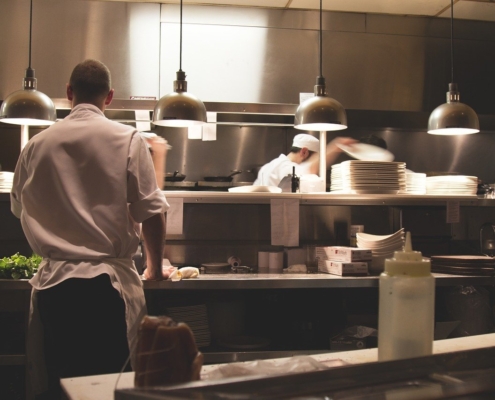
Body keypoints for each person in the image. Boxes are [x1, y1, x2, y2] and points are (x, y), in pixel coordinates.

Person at [10, 59, 169, 399]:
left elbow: (19, 208)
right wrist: (154, 267)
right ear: (109, 96)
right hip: (105, 291)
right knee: (110, 388)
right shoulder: (128, 138)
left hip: (55, 288)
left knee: (63, 386)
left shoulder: (36, 145)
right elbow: (152, 211)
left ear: (68, 94)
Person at [253, 133, 356, 187]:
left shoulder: (267, 166)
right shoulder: (286, 167)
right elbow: (309, 169)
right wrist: (335, 146)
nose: (316, 161)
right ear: (304, 152)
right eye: (315, 158)